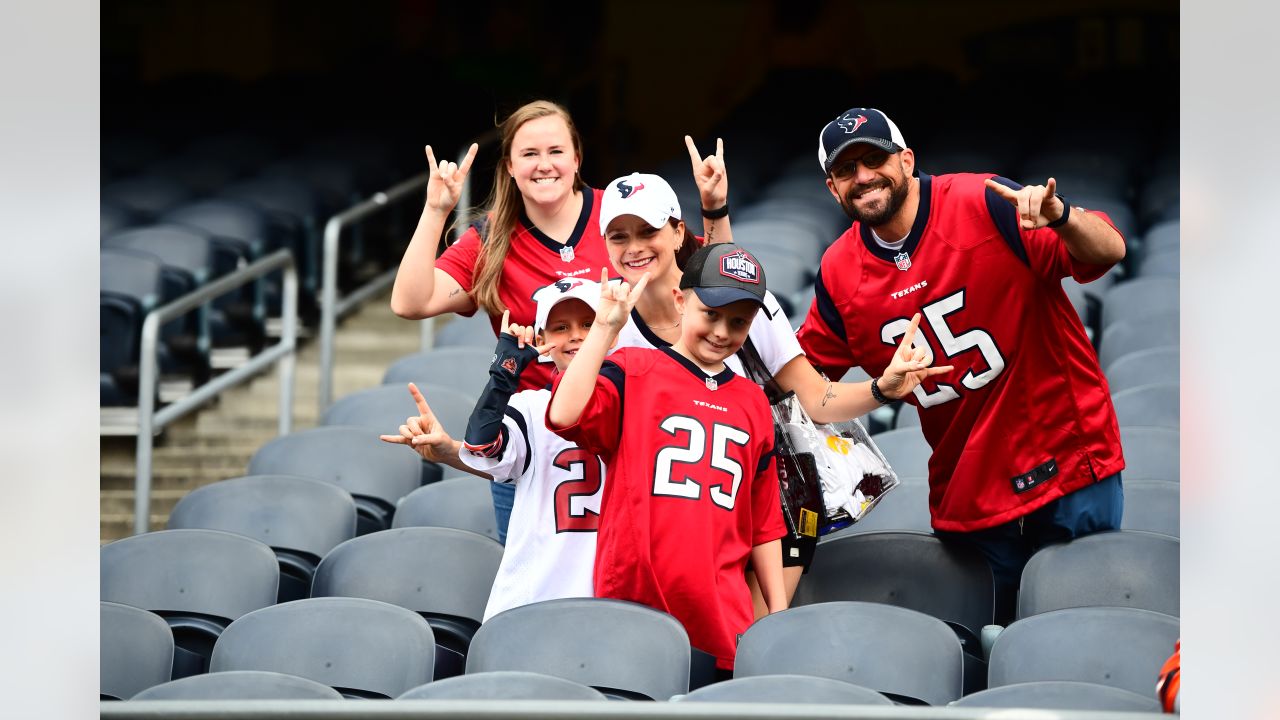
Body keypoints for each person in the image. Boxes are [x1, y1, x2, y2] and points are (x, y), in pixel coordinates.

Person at [797, 106, 1128, 623]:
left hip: (1065, 454)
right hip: (967, 484)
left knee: (1085, 626)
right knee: (985, 650)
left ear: (906, 159)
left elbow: (1108, 251)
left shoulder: (984, 200)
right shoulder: (838, 271)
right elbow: (804, 384)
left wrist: (1061, 218)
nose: (863, 177)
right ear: (832, 190)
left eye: (874, 158)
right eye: (845, 170)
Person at [598, 154, 950, 615]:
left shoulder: (749, 307)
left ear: (678, 231)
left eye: (648, 232)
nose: (634, 248)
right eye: (618, 236)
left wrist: (881, 388)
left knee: (753, 632)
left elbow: (816, 398)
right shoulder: (607, 324)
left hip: (773, 501)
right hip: (673, 513)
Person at [546, 248, 785, 674]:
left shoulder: (754, 402)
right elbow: (564, 414)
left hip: (721, 615)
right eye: (710, 313)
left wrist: (780, 615)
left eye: (738, 322)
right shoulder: (633, 368)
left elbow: (764, 524)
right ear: (680, 300)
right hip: (633, 601)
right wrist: (603, 328)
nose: (721, 331)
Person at [389, 100, 613, 540]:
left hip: (620, 439)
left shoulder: (619, 217)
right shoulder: (491, 236)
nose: (544, 165)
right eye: (529, 154)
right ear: (509, 165)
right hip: (528, 450)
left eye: (555, 151)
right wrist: (436, 210)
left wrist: (714, 212)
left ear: (577, 158)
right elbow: (409, 303)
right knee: (529, 595)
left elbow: (698, 282)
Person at [381, 279, 607, 622]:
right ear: (542, 341)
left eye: (589, 324)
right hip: (536, 594)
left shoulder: (638, 399)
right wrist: (503, 373)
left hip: (610, 590)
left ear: (612, 329)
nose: (576, 335)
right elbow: (482, 444)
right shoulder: (531, 406)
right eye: (561, 327)